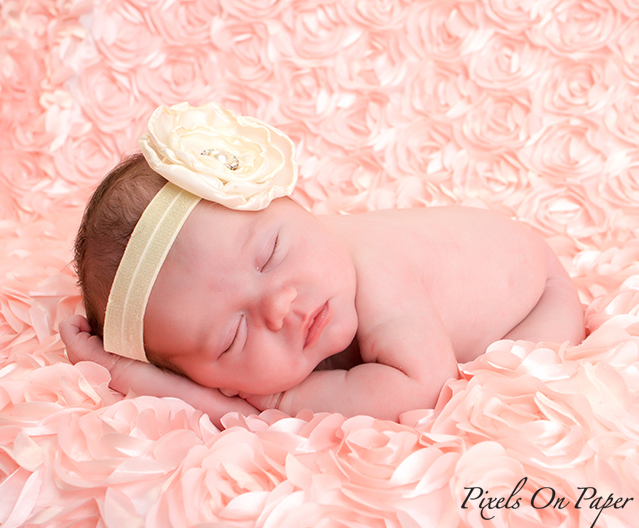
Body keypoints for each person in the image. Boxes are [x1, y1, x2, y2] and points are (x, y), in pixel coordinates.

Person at [60, 102, 585, 425]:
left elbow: (423, 389)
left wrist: (282, 399)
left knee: (515, 393)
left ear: (296, 205)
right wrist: (119, 371)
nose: (278, 304)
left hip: (539, 295)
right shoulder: (304, 288)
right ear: (207, 378)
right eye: (232, 338)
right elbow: (230, 417)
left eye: (270, 254)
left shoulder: (373, 265)